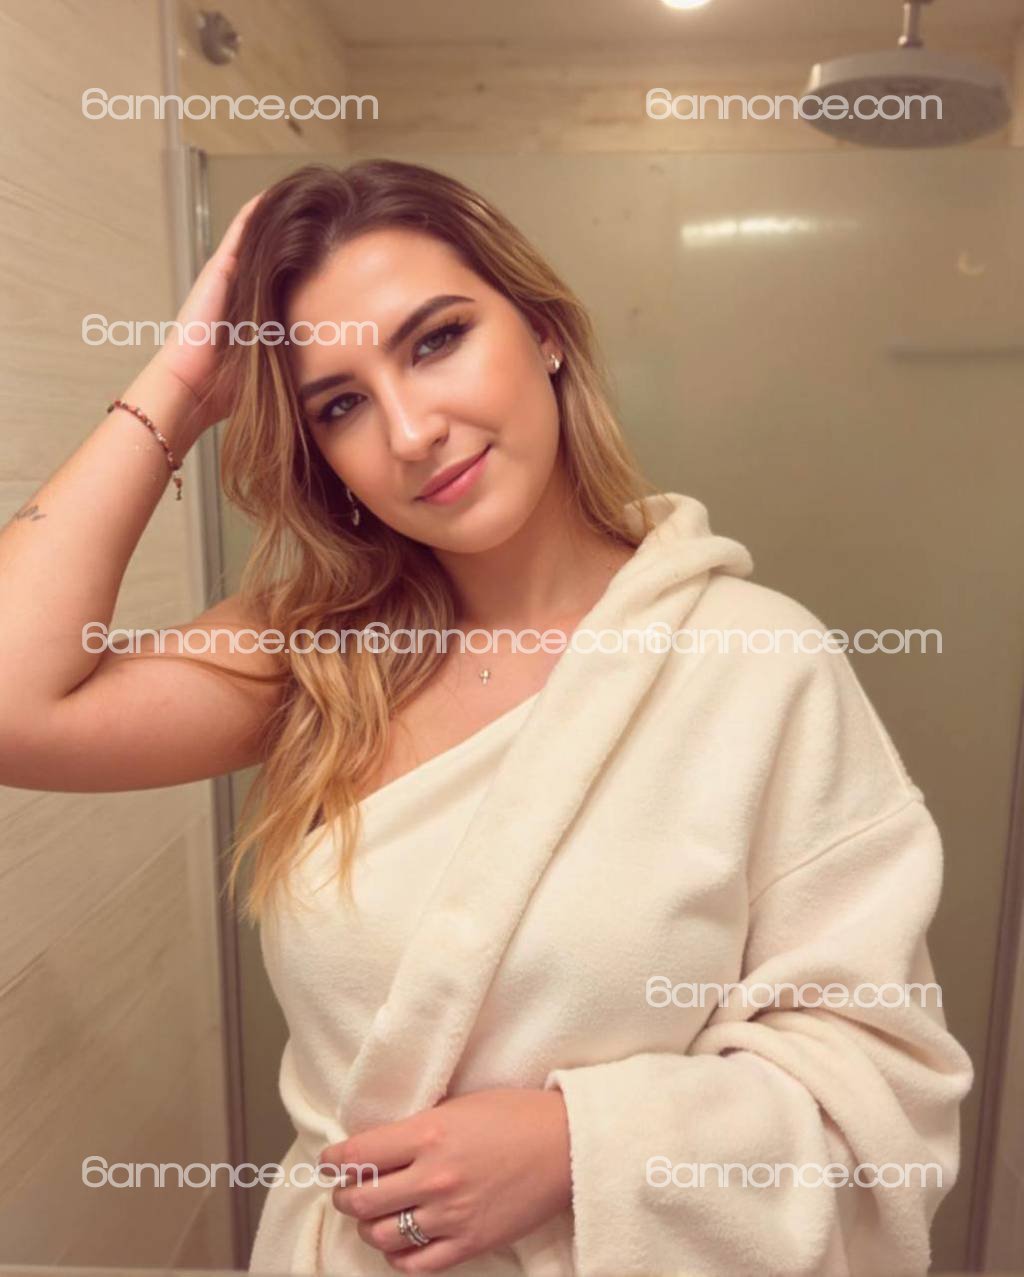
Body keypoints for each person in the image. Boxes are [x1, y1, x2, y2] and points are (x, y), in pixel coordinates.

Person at [0, 159, 973, 1277]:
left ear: (543, 330)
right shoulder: (317, 654)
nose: (411, 429)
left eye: (436, 340)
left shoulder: (759, 663)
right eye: (341, 404)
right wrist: (178, 383)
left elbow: (883, 1085)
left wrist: (579, 1148)